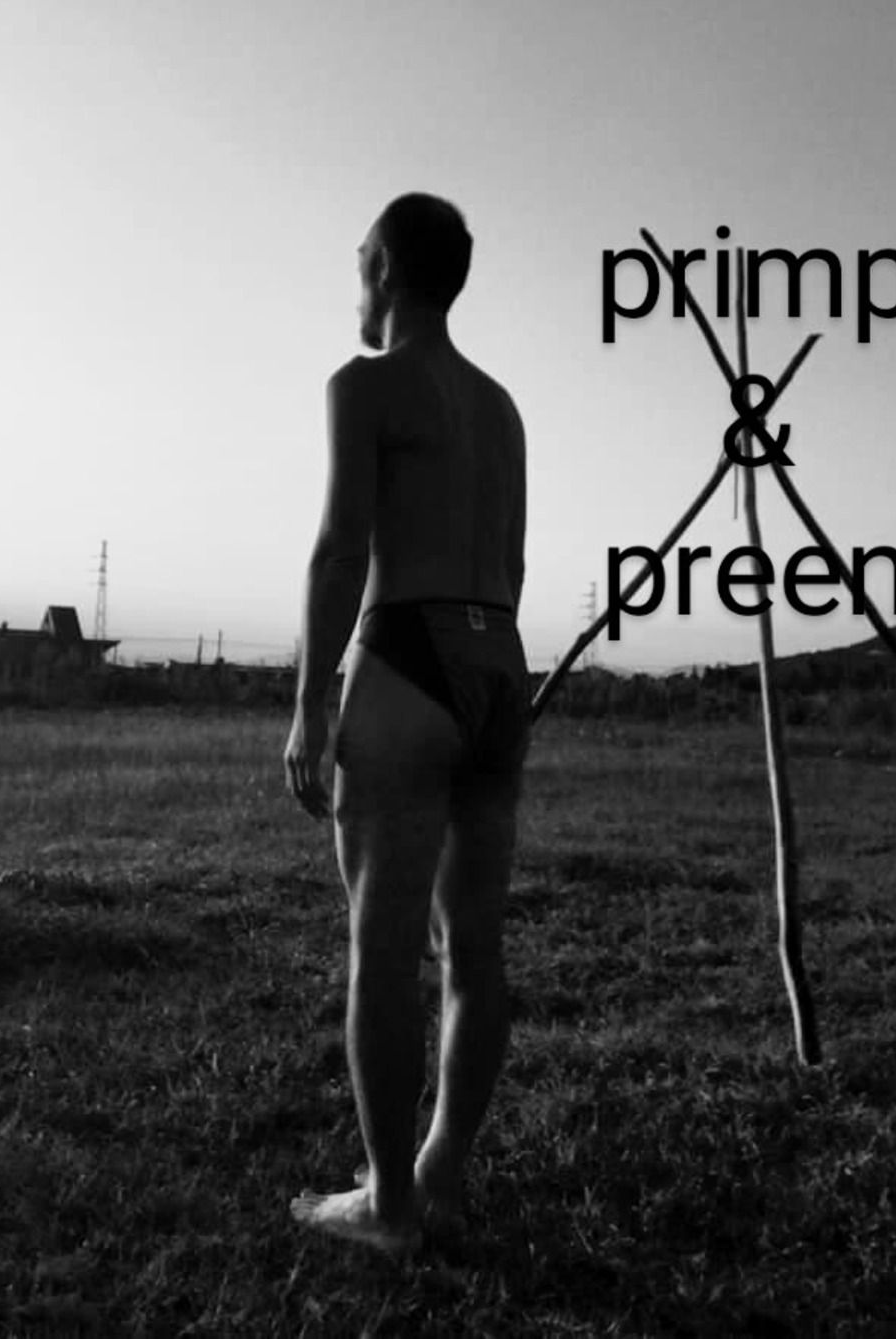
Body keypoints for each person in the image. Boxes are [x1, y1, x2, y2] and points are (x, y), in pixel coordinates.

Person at [284, 191, 529, 1257]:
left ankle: (387, 1205)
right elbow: (512, 562)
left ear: (383, 268)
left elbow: (342, 546)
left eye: (358, 261)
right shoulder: (500, 407)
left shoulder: (365, 383)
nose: (355, 282)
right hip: (497, 660)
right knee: (472, 948)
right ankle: (442, 1175)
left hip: (407, 654)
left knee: (381, 951)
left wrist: (310, 701)